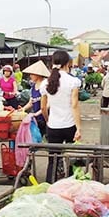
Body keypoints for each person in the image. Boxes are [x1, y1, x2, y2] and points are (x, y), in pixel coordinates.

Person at [40, 50, 82, 183]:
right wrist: (79, 128)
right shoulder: (73, 81)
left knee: (53, 159)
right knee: (71, 158)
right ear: (67, 63)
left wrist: (47, 120)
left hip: (53, 126)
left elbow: (43, 108)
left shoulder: (45, 83)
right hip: (70, 126)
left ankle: (50, 185)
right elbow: (74, 106)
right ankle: (70, 185)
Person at [21, 60, 50, 136]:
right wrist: (23, 109)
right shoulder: (33, 87)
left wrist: (37, 113)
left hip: (46, 116)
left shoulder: (46, 85)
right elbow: (31, 102)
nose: (30, 76)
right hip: (37, 117)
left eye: (32, 74)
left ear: (38, 74)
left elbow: (48, 104)